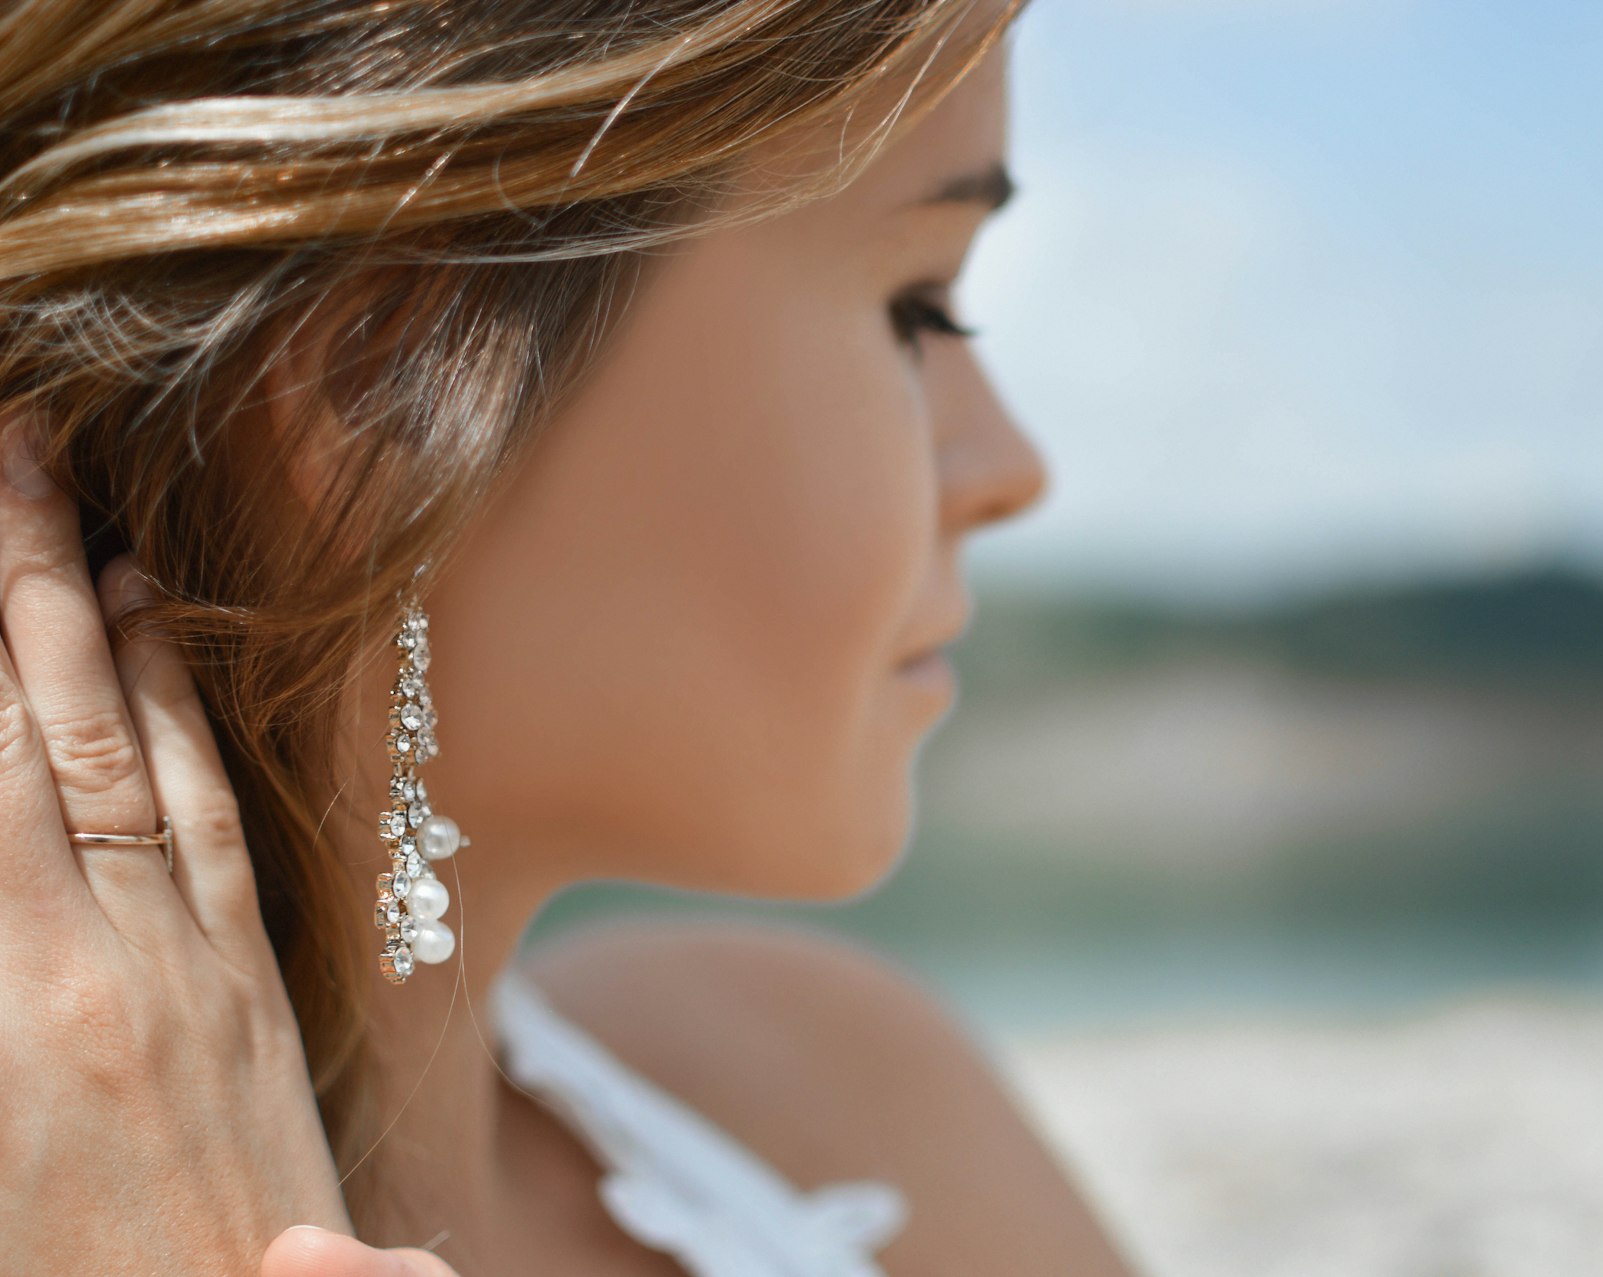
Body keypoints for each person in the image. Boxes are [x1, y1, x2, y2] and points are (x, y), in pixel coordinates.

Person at [0, 0, 1141, 1272]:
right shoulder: (822, 1103)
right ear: (387, 385)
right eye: (918, 306)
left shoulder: (832, 1079)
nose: (1013, 469)